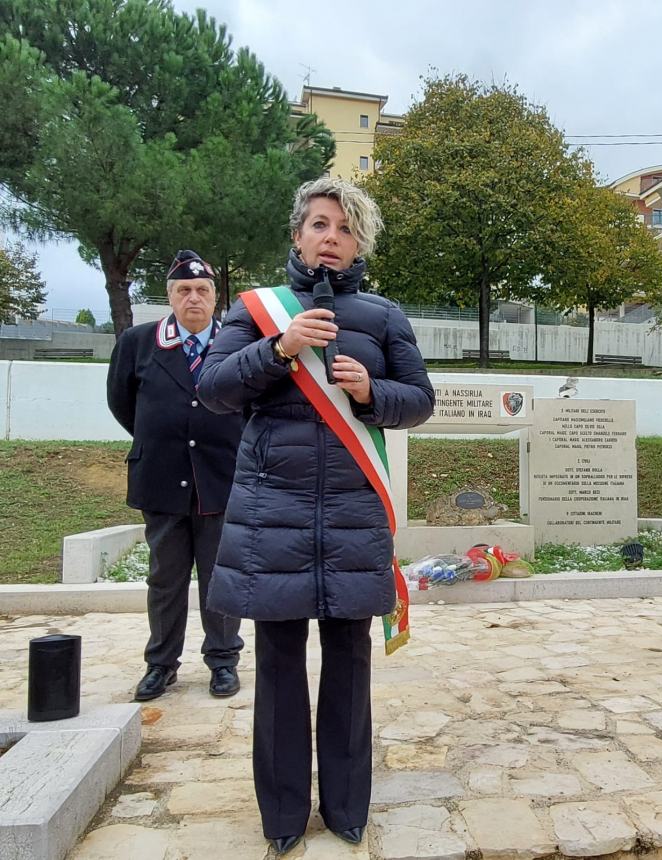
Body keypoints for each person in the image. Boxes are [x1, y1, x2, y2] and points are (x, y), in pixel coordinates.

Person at [197, 177, 434, 854]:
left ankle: (347, 807)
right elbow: (214, 388)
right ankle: (280, 816)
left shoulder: (385, 317)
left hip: (353, 513)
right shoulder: (256, 310)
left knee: (349, 657)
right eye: (320, 225)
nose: (331, 237)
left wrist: (371, 392)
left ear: (360, 242)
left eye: (345, 228)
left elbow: (418, 398)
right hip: (273, 510)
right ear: (298, 234)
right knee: (275, 661)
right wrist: (280, 348)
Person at [107, 250, 244, 702]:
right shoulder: (138, 343)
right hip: (162, 479)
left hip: (220, 480)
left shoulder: (236, 345)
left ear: (215, 297)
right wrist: (162, 436)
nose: (193, 298)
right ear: (170, 297)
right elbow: (122, 403)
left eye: (202, 290)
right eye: (183, 290)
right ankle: (160, 665)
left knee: (219, 576)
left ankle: (223, 661)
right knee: (165, 578)